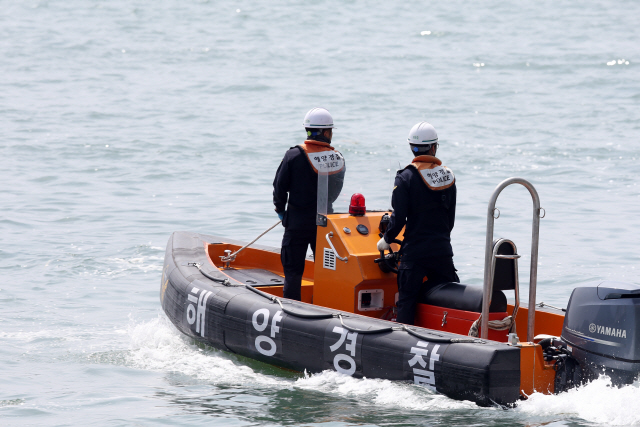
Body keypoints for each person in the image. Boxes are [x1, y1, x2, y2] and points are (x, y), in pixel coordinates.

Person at [377, 122, 458, 325]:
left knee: (406, 301)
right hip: (442, 250)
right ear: (434, 147)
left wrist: (386, 240)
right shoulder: (447, 176)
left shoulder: (405, 177)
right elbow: (450, 220)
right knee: (450, 298)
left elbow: (399, 217)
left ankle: (404, 346)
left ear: (412, 148)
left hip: (415, 253)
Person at [273, 108, 345, 301]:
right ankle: (323, 306)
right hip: (325, 224)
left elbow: (279, 187)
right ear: (327, 133)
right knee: (325, 270)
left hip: (296, 222)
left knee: (293, 271)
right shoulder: (336, 158)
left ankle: (292, 311)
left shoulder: (293, 155)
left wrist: (281, 211)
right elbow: (336, 191)